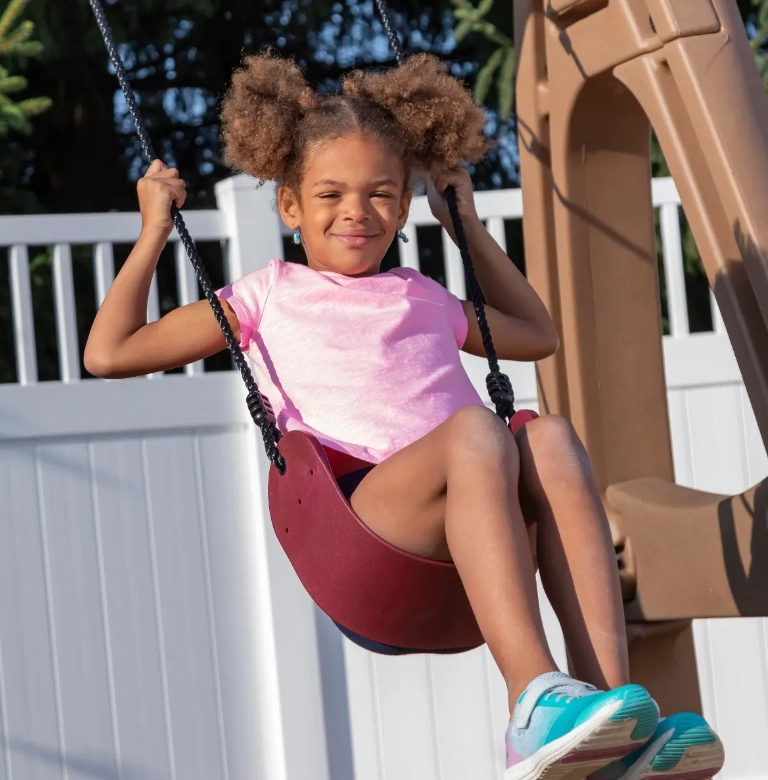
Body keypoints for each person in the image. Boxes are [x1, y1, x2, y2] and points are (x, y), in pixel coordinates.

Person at [84, 52, 724, 780]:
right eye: (330, 194)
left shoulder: (423, 295)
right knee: (478, 430)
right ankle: (532, 705)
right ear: (290, 206)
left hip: (472, 517)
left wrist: (466, 225)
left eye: (380, 194)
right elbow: (110, 352)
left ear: (404, 206)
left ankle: (610, 719)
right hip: (364, 533)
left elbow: (537, 333)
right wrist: (153, 231)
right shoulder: (265, 296)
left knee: (549, 435)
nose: (356, 211)